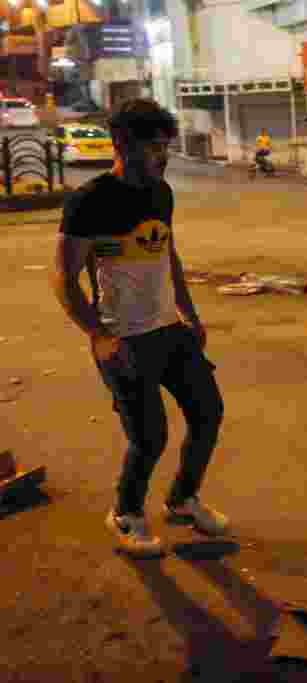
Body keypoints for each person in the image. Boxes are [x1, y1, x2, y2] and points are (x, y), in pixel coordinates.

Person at [51, 98, 228, 557]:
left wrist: (189, 312)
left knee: (207, 414)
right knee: (149, 437)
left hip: (170, 330)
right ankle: (126, 514)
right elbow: (63, 279)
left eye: (165, 147)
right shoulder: (89, 202)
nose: (163, 156)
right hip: (124, 338)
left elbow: (168, 253)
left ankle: (182, 500)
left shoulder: (160, 192)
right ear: (123, 145)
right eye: (154, 148)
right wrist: (101, 336)